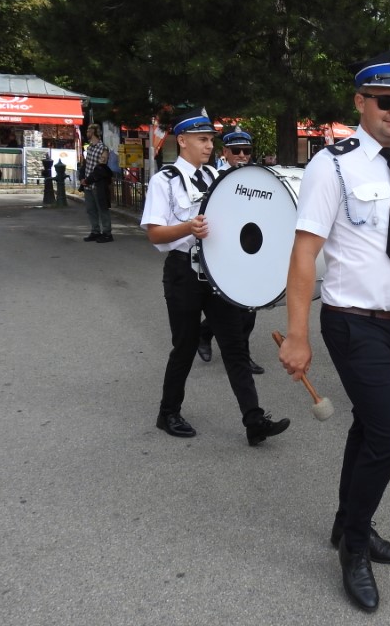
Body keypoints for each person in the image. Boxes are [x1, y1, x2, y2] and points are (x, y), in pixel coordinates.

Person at [278, 48, 390, 613]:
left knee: (367, 427)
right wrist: (297, 333)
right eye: (385, 100)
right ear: (360, 102)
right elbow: (305, 252)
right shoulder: (330, 165)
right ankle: (353, 550)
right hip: (352, 322)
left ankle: (344, 524)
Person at [140, 107, 289, 447]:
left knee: (235, 347)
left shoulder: (217, 178)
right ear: (183, 141)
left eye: (210, 140)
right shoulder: (165, 181)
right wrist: (186, 227)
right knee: (185, 346)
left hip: (218, 272)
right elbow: (154, 234)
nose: (209, 146)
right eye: (202, 139)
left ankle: (254, 421)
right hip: (182, 271)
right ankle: (168, 412)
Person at [198, 127, 265, 374]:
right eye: (236, 150)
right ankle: (237, 354)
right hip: (225, 251)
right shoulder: (215, 179)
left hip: (252, 248)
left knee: (249, 308)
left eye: (246, 151)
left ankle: (206, 334)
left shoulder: (258, 176)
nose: (242, 155)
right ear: (225, 152)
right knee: (233, 308)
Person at [79, 124, 114, 243]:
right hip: (88, 185)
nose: (87, 132)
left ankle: (107, 233)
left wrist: (88, 180)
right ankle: (95, 231)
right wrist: (82, 178)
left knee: (102, 209)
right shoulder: (89, 148)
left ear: (94, 132)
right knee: (91, 209)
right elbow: (86, 164)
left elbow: (101, 168)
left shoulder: (103, 148)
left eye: (89, 130)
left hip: (98, 185)